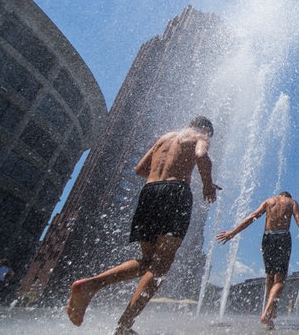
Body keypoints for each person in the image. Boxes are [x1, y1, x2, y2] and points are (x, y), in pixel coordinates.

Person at [67, 116, 220, 335]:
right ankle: (124, 326)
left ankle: (91, 285)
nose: (207, 137)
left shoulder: (164, 138)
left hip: (149, 193)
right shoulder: (200, 135)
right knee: (160, 267)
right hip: (174, 193)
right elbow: (201, 155)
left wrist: (165, 172)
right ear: (204, 129)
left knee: (148, 262)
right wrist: (207, 185)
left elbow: (140, 169)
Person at [216, 191, 299, 330]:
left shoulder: (269, 201)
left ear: (280, 195)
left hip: (267, 238)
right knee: (280, 279)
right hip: (282, 238)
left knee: (270, 276)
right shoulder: (292, 202)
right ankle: (266, 313)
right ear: (287, 197)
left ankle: (271, 312)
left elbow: (252, 217)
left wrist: (233, 232)